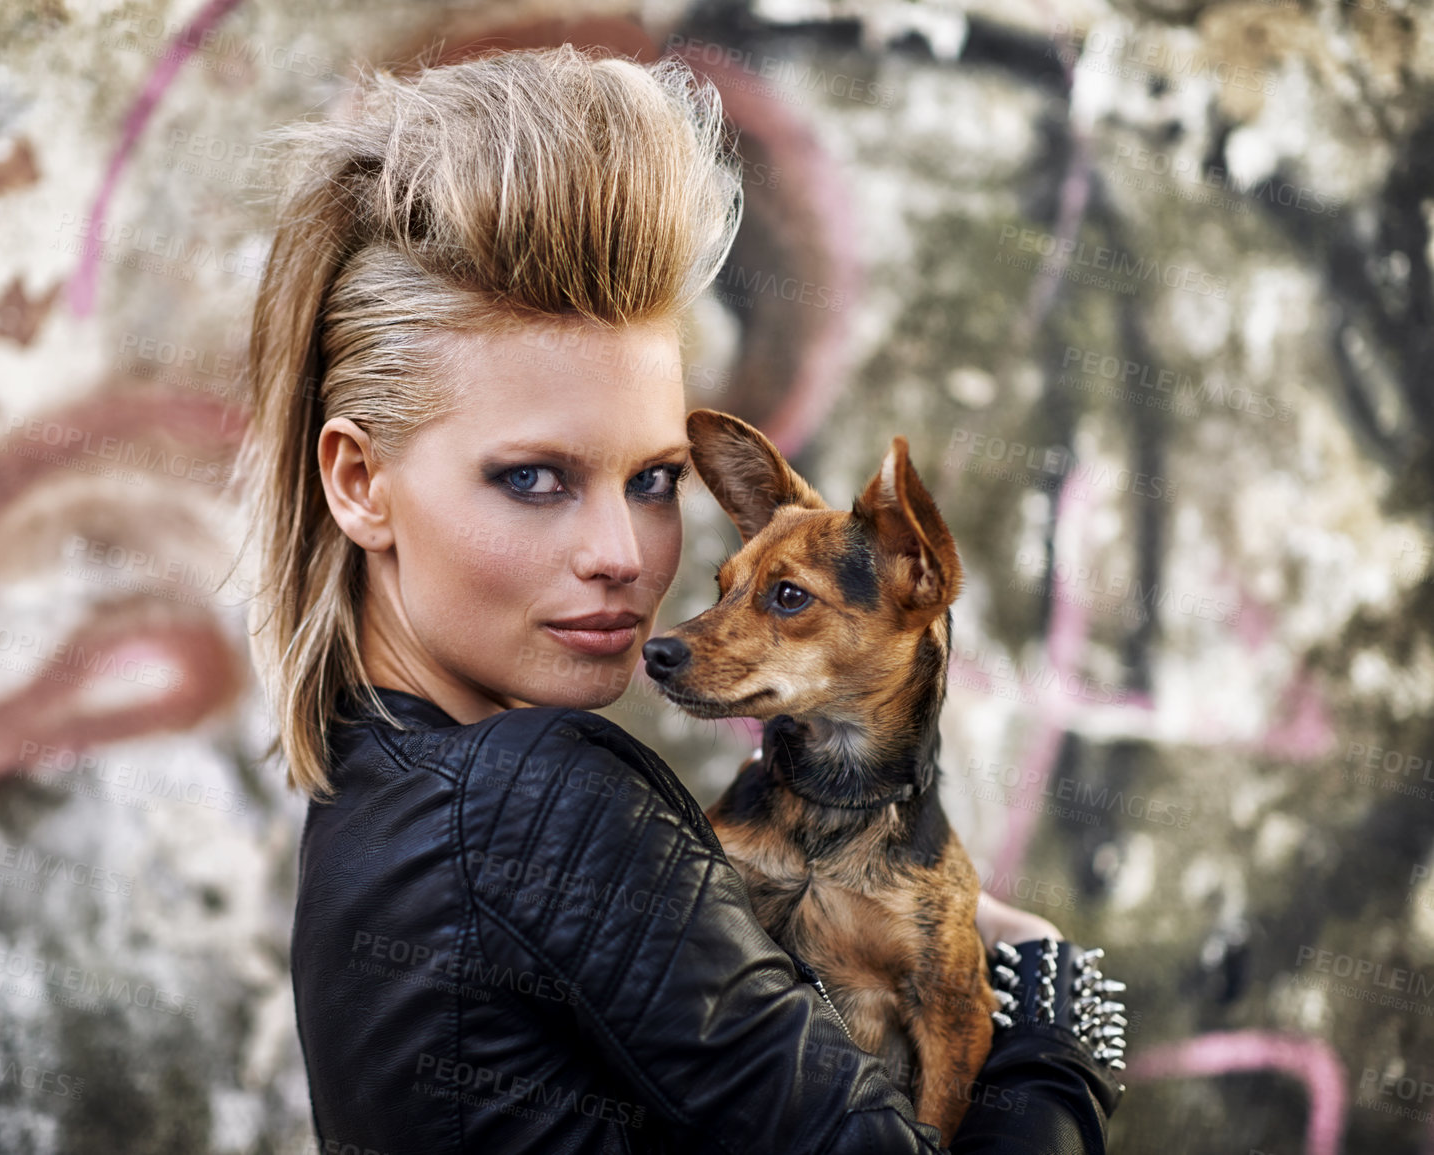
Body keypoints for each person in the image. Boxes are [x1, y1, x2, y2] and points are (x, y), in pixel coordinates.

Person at [231, 42, 1125, 1153]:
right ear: (360, 483)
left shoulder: (365, 799)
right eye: (532, 479)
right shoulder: (542, 799)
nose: (622, 554)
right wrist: (1056, 995)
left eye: (653, 480)